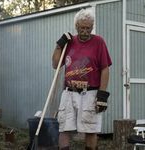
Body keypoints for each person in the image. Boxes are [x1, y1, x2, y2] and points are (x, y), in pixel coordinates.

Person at [52, 9, 112, 150]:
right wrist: (59, 45)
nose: (85, 31)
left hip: (90, 93)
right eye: (82, 28)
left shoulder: (99, 42)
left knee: (90, 129)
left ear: (92, 27)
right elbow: (55, 65)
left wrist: (102, 95)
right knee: (64, 128)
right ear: (76, 26)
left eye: (88, 28)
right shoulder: (69, 42)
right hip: (69, 92)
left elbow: (105, 69)